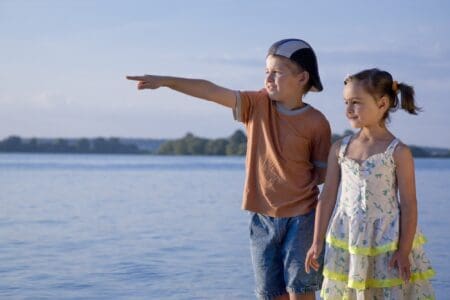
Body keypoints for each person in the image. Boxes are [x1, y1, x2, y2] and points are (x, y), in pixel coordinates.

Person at [127, 38, 331, 300]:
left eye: (277, 72)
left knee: (300, 291)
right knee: (271, 294)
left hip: (303, 217)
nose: (268, 78)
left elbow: (325, 176)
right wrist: (168, 81)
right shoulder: (255, 104)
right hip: (262, 218)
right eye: (266, 71)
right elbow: (210, 90)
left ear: (302, 78)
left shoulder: (317, 123)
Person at [305, 68, 435, 299]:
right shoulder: (340, 149)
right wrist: (317, 242)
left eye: (356, 102)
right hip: (348, 238)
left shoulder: (399, 152)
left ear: (382, 103)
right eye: (346, 102)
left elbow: (408, 204)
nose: (348, 109)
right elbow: (327, 198)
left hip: (387, 240)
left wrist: (404, 250)